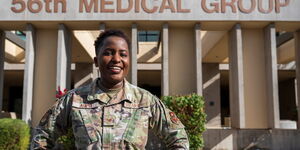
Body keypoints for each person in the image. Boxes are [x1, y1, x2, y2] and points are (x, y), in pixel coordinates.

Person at [31, 29, 189, 149]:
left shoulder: (145, 100)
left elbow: (179, 138)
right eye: (108, 53)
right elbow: (42, 137)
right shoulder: (75, 99)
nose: (116, 59)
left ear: (129, 61)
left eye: (123, 54)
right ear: (96, 61)